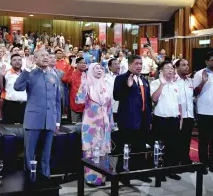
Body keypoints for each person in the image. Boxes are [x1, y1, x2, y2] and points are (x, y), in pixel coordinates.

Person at [14, 49, 61, 177]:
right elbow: (17, 87)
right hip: (33, 120)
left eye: (47, 55)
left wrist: (57, 121)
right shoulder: (30, 73)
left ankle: (46, 178)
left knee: (46, 154)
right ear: (35, 59)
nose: (45, 58)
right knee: (30, 153)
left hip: (50, 120)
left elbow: (57, 101)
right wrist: (27, 70)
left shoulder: (53, 76)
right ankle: (30, 180)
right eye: (42, 56)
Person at [113, 55, 152, 183]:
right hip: (127, 120)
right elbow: (116, 96)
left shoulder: (144, 80)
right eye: (136, 63)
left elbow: (148, 102)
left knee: (140, 147)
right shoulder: (121, 78)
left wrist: (149, 119)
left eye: (141, 64)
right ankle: (124, 173)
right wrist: (127, 86)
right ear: (129, 65)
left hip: (143, 121)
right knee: (126, 147)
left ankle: (140, 172)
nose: (139, 66)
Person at [76, 63, 113, 186]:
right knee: (91, 150)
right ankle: (92, 178)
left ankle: (103, 177)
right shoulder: (88, 85)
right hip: (91, 125)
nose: (99, 70)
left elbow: (109, 107)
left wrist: (111, 122)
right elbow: (79, 100)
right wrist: (83, 85)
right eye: (96, 68)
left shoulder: (106, 85)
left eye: (101, 68)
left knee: (104, 150)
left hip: (105, 124)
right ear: (91, 71)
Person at [150, 61, 182, 180]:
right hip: (160, 119)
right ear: (161, 71)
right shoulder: (155, 83)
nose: (170, 70)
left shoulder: (176, 85)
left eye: (172, 68)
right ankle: (159, 171)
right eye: (167, 68)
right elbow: (154, 99)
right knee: (159, 146)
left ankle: (170, 170)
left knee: (173, 146)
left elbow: (179, 105)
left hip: (174, 119)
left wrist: (181, 120)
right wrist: (162, 85)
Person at [175, 59, 194, 165]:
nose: (186, 67)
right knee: (177, 140)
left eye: (187, 65)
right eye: (183, 65)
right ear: (177, 68)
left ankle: (185, 160)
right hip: (177, 116)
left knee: (187, 140)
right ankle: (175, 161)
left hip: (189, 115)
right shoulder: (173, 80)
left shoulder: (190, 81)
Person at [0, 54, 27, 124]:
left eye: (19, 60)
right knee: (9, 129)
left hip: (24, 105)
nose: (17, 62)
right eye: (14, 60)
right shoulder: (6, 73)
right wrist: (1, 76)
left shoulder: (26, 73)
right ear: (10, 63)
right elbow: (1, 87)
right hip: (10, 105)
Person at [62, 57, 86, 122]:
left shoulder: (87, 76)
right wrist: (72, 67)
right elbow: (65, 79)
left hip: (86, 108)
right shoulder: (73, 74)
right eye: (81, 63)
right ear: (76, 64)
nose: (84, 64)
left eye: (84, 63)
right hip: (75, 107)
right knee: (75, 129)